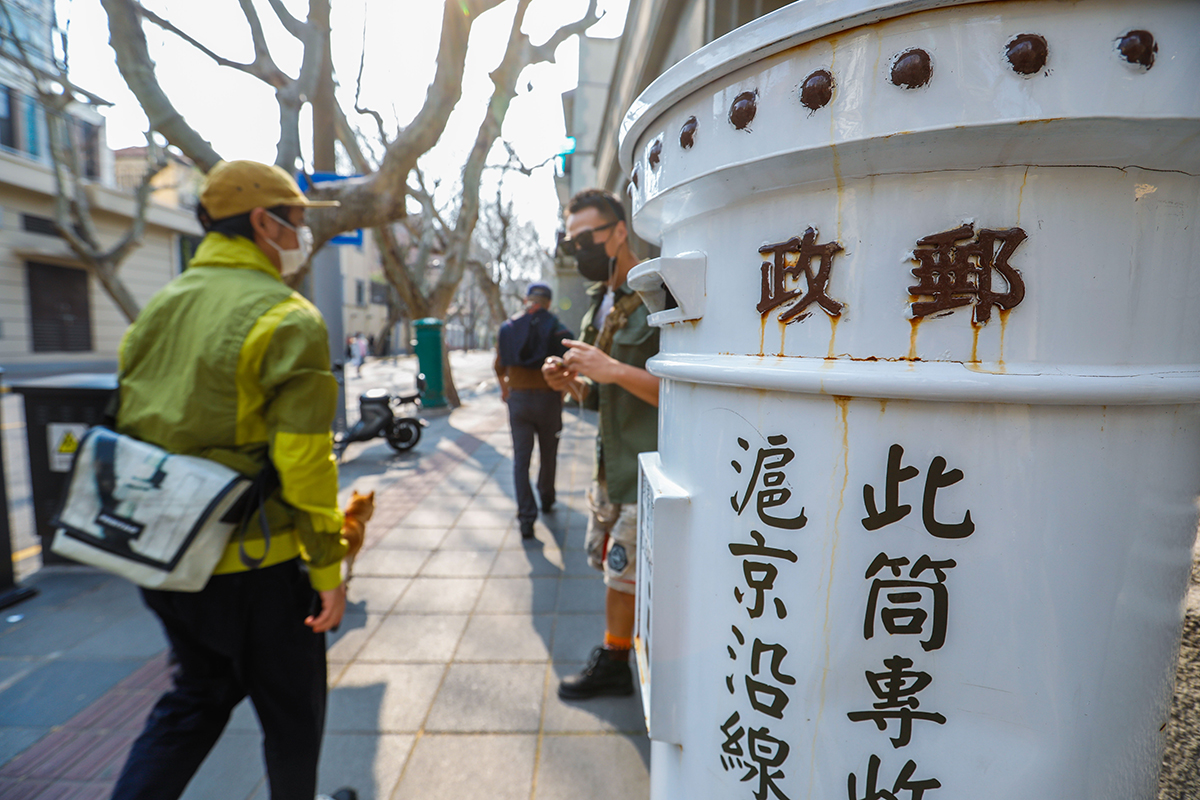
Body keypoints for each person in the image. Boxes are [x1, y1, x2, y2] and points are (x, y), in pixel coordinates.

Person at [110, 160, 355, 800]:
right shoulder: (286, 319)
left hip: (163, 557)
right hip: (258, 568)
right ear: (261, 223)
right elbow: (305, 465)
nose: (300, 233)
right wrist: (328, 572)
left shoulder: (155, 312)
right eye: (296, 220)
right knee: (292, 719)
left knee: (195, 700)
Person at [543, 189, 659, 699]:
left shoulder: (661, 292)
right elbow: (604, 395)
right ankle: (623, 652)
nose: (579, 249)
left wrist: (609, 368)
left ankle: (617, 663)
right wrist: (572, 385)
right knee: (613, 567)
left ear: (618, 229)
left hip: (647, 463)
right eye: (572, 242)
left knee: (623, 574)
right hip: (609, 464)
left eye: (586, 237)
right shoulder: (601, 302)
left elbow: (684, 392)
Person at [494, 282, 572, 539]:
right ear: (548, 302)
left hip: (518, 401)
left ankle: (527, 517)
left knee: (521, 460)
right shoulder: (557, 328)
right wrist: (561, 393)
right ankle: (547, 498)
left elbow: (498, 366)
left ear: (528, 299)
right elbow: (567, 367)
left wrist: (506, 390)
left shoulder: (507, 328)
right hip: (549, 400)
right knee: (549, 453)